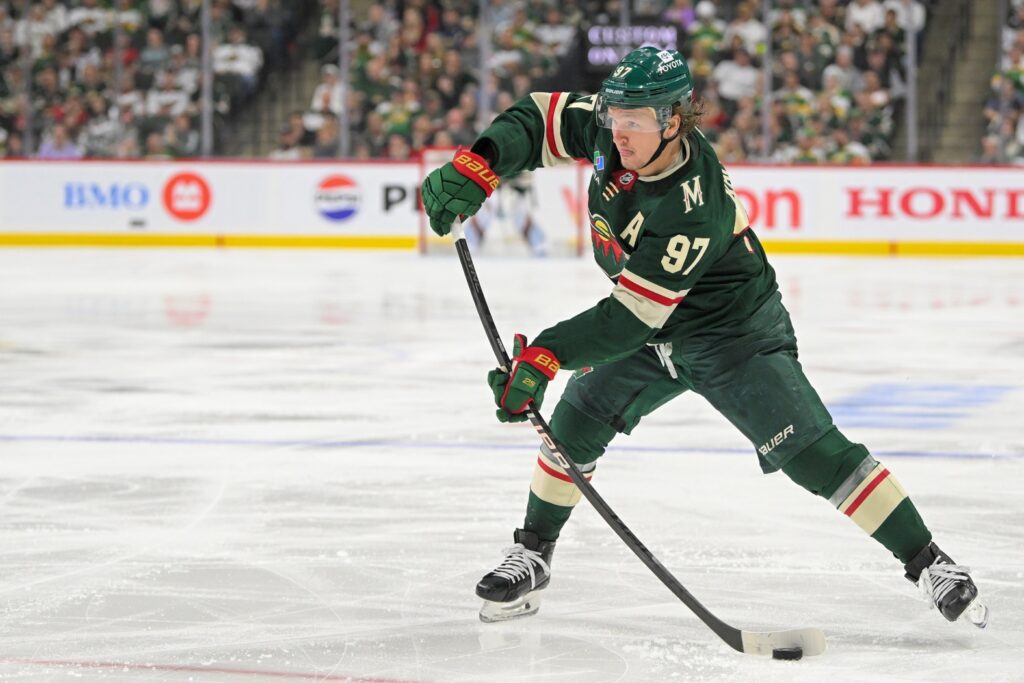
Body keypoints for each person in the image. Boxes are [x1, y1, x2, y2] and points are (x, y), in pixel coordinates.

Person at [420, 47, 990, 629]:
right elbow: (538, 119)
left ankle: (928, 562)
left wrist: (547, 354)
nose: (619, 132)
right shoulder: (613, 128)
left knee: (813, 455)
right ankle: (534, 553)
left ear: (674, 120)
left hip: (731, 332)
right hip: (649, 323)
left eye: (636, 121)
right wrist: (480, 163)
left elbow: (630, 319)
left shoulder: (694, 202)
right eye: (616, 116)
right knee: (572, 425)